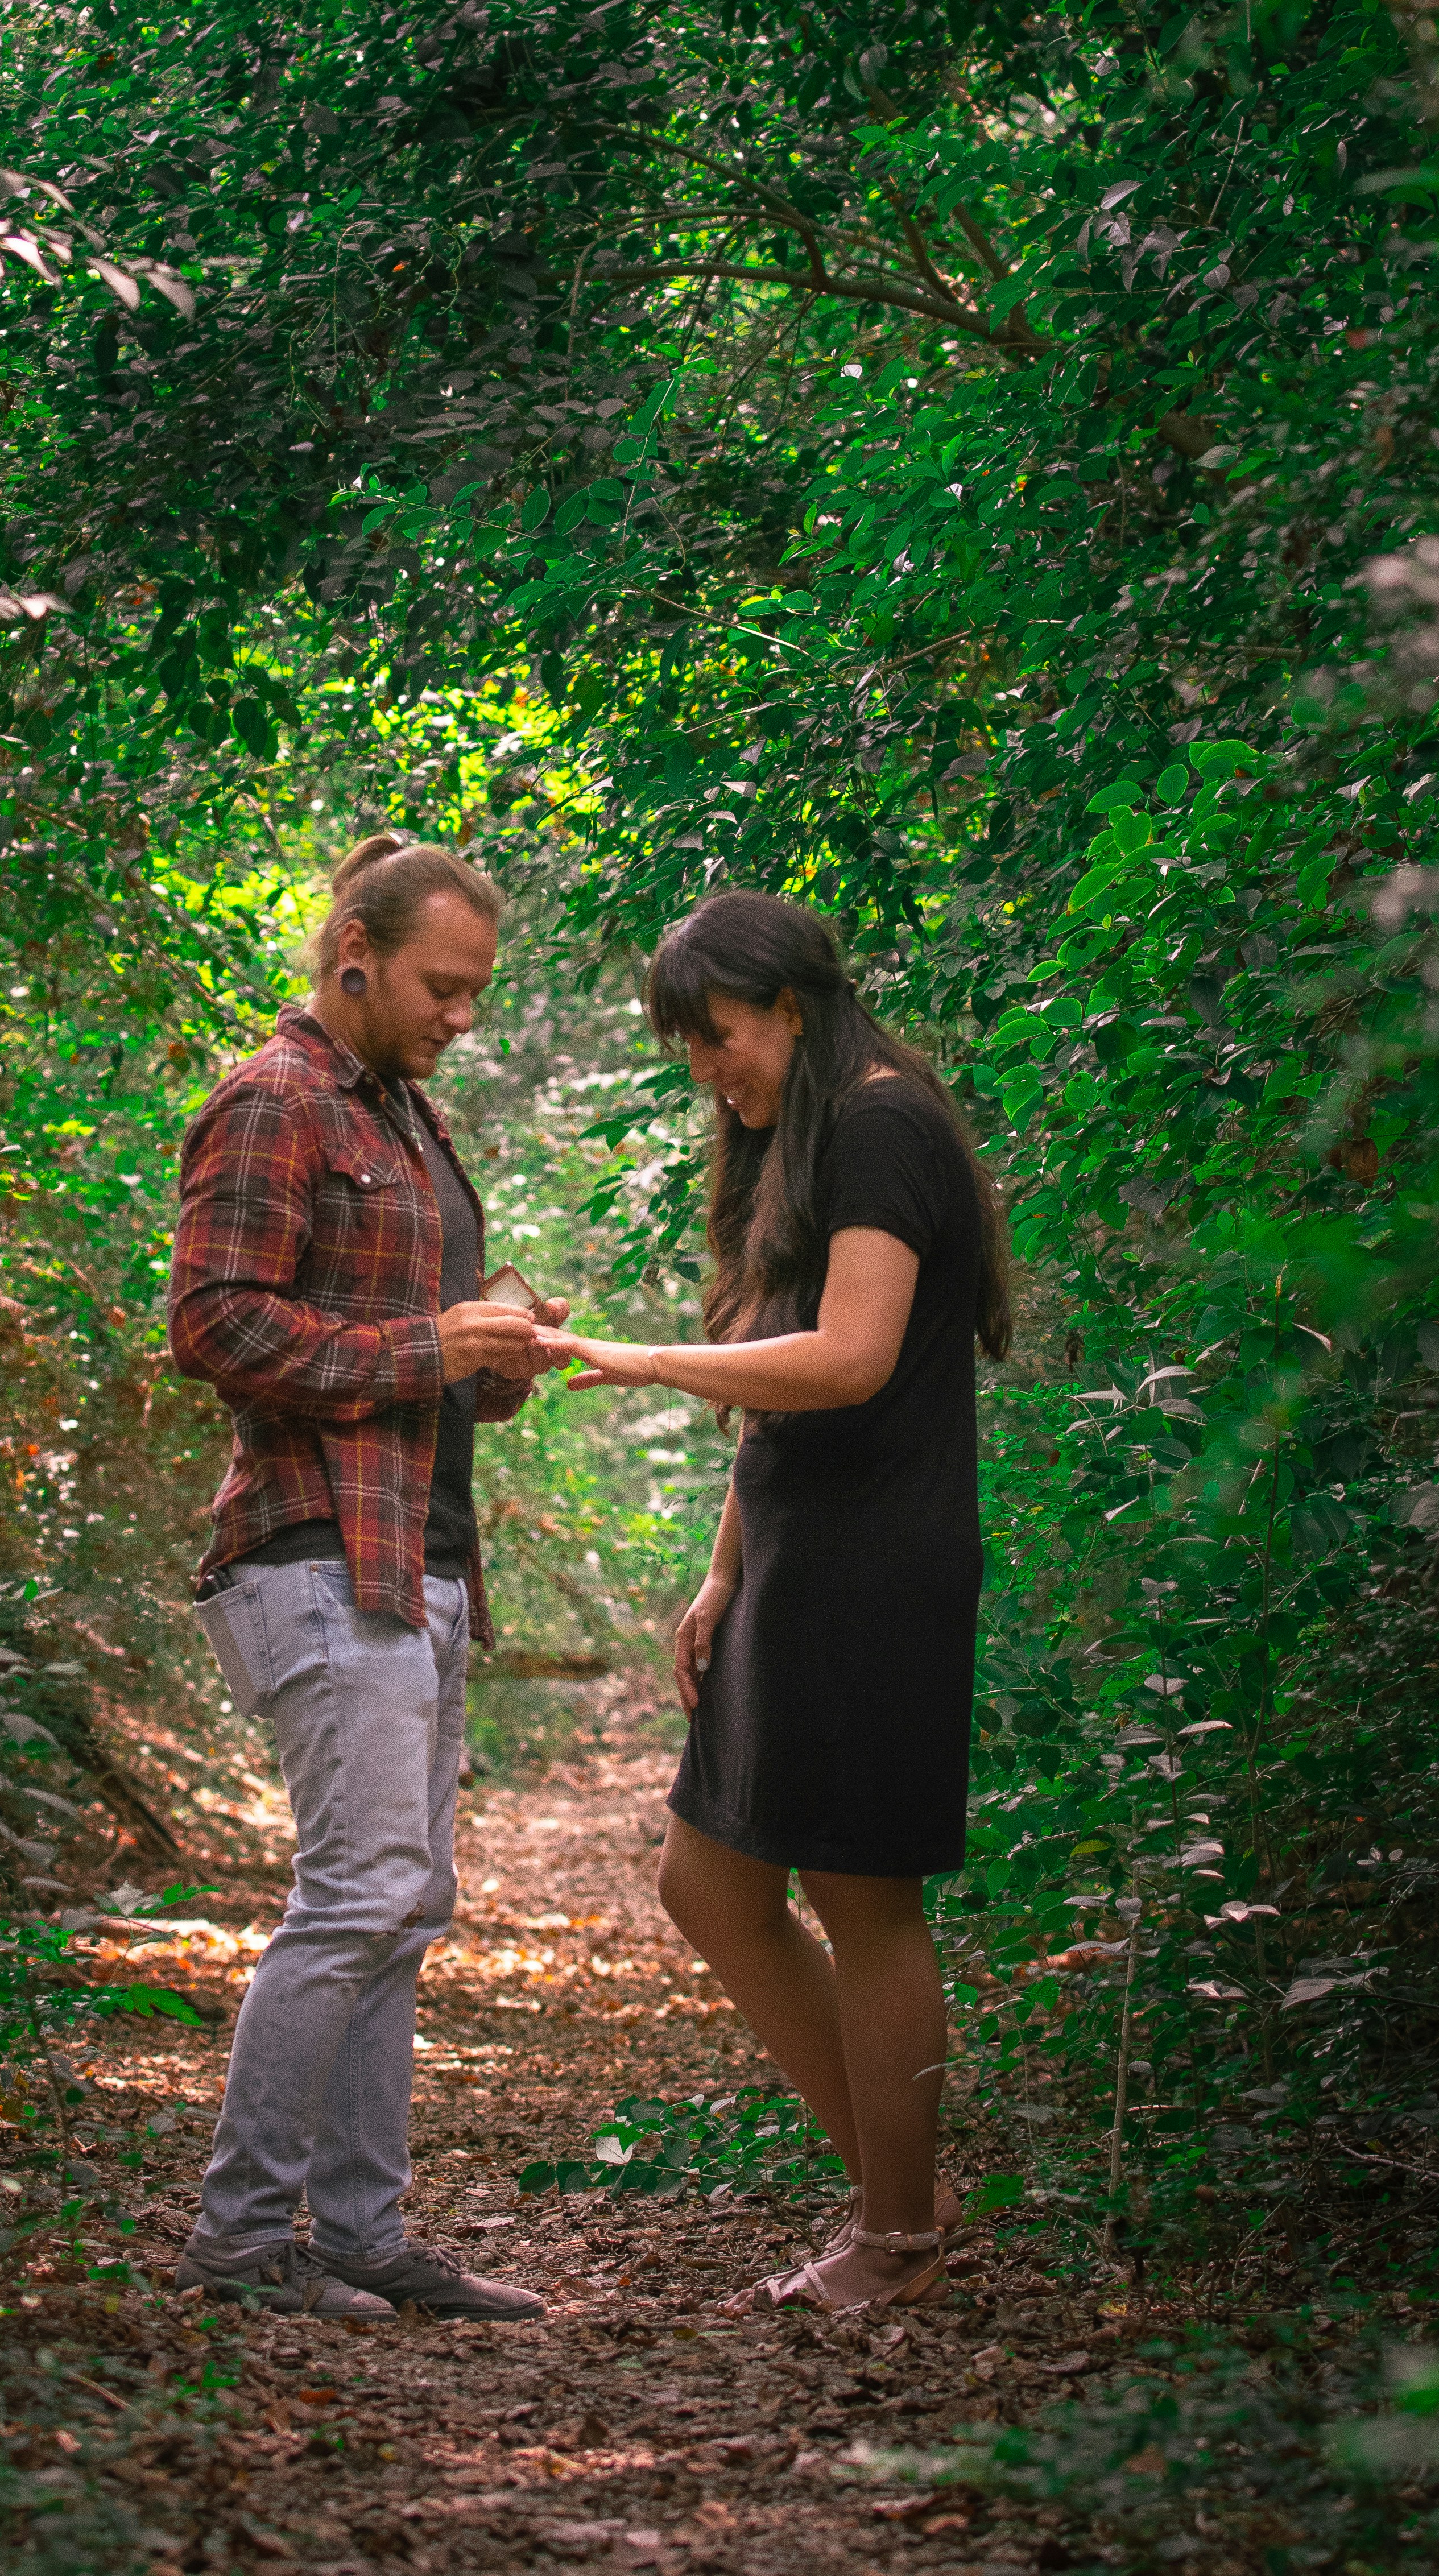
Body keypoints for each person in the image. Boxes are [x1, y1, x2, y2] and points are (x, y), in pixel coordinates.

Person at [547, 888, 1011, 2316]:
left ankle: (899, 2238)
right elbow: (786, 1393)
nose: (711, 1071)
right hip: (800, 1558)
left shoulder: (878, 1124)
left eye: (721, 1036)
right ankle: (903, 2188)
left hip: (879, 1567)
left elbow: (853, 1358)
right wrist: (724, 1561)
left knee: (863, 1900)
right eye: (691, 1048)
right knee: (711, 1882)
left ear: (792, 1006)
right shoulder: (803, 1140)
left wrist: (644, 1361)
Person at [166, 831, 568, 2321]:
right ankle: (238, 2244)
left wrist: (494, 1347)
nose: (461, 1016)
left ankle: (360, 2234)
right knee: (356, 1898)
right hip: (314, 1553)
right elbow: (212, 1325)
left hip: (422, 1562)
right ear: (355, 955)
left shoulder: (404, 1116)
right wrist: (428, 1348)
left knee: (403, 1906)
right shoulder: (275, 1103)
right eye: (440, 988)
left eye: (474, 994)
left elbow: (426, 1356)